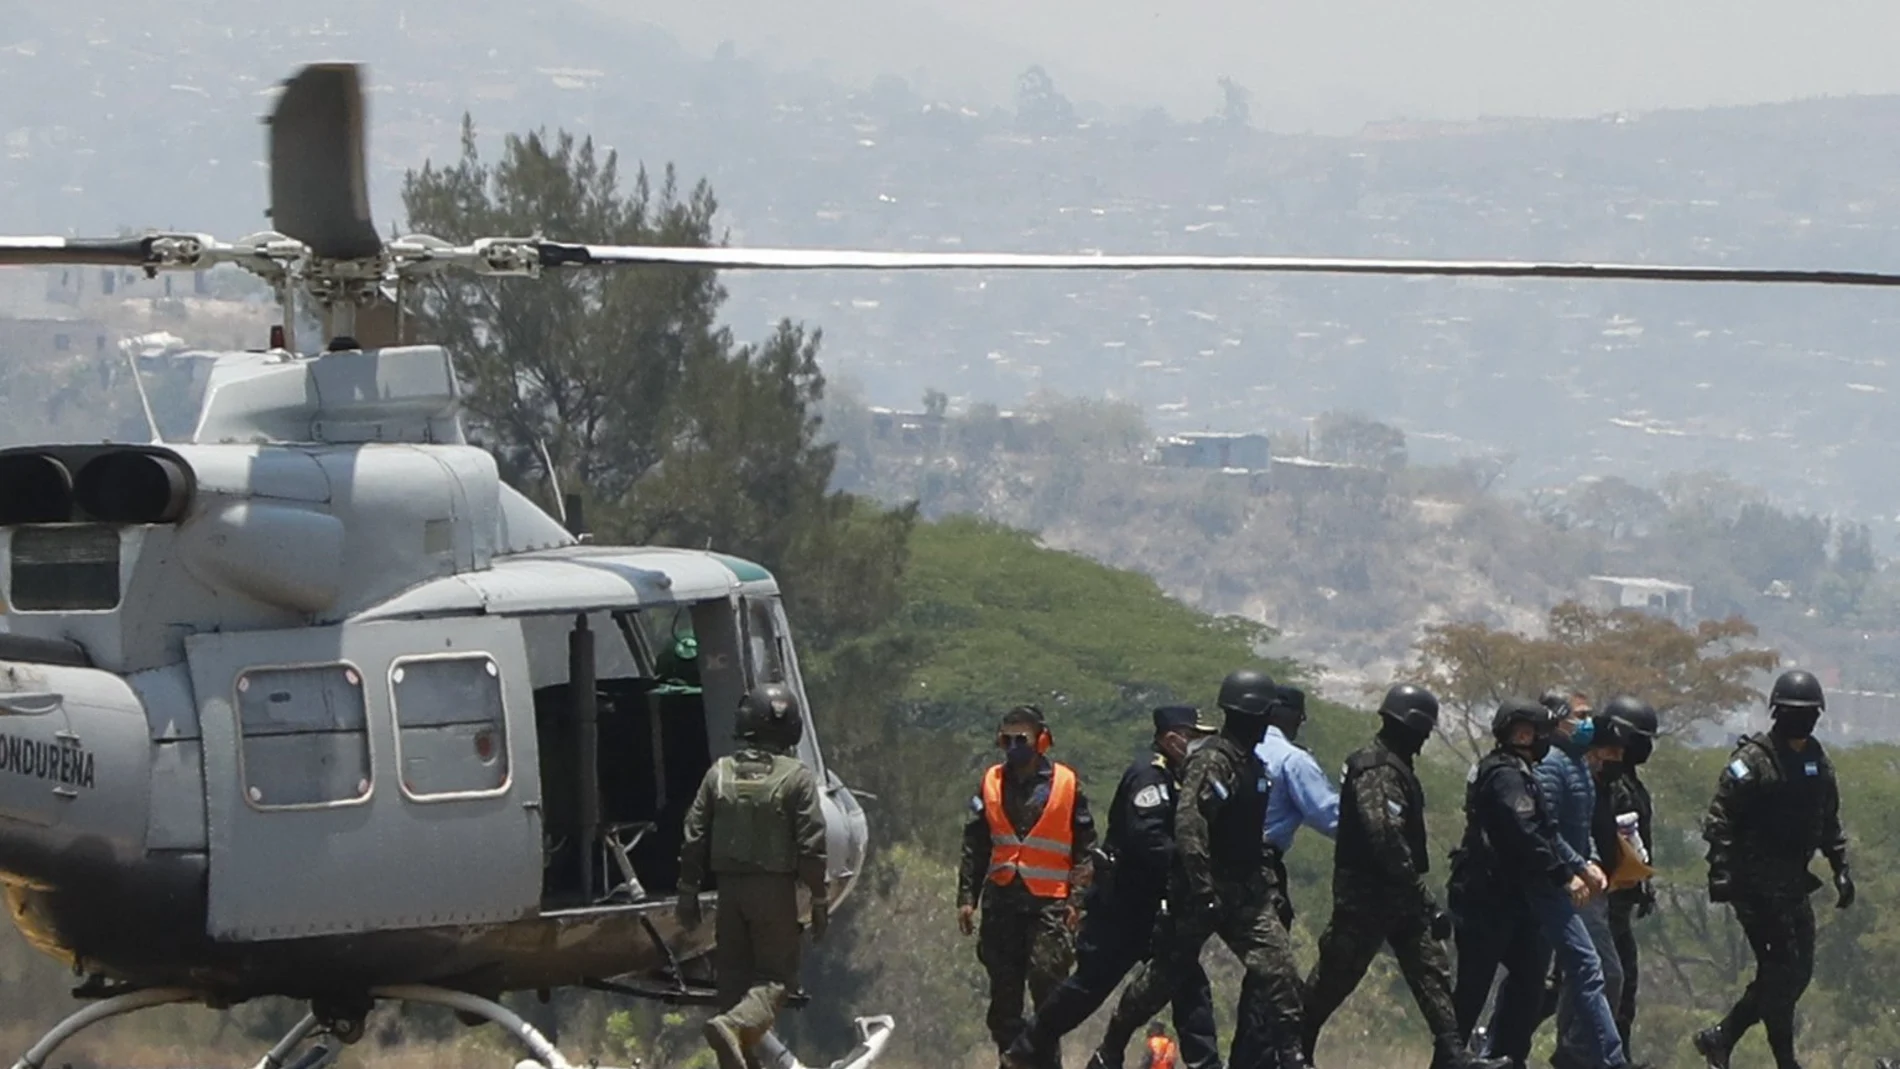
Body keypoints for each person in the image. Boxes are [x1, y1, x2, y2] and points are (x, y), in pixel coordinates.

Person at [1087, 669, 1311, 1069]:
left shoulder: (1252, 766)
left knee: (1279, 972)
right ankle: (1112, 1045)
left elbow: (1249, 835)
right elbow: (1191, 828)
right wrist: (1202, 890)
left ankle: (1294, 1056)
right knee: (1163, 978)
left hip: (1246, 894)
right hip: (1200, 893)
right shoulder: (1213, 761)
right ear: (1251, 714)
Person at [1301, 684, 1509, 1069]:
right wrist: (1424, 897)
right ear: (1411, 726)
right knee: (1337, 974)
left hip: (1400, 895)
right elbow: (1385, 838)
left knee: (1430, 970)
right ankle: (1294, 1046)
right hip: (1366, 896)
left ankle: (1453, 1052)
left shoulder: (1395, 765)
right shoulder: (1376, 768)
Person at [1003, 706, 1220, 1069]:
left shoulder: (1180, 780)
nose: (1199, 745)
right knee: (1088, 988)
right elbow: (1147, 839)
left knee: (1187, 982)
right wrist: (1191, 867)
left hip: (1155, 910)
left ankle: (1204, 1063)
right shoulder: (1148, 777)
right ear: (1171, 739)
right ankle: (1024, 1052)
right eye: (1194, 736)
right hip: (1122, 909)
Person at [1446, 699, 1640, 1069]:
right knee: (1476, 984)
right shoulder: (1507, 774)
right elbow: (1529, 831)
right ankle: (1454, 1058)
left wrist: (1579, 864)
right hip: (1487, 895)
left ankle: (1506, 1056)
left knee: (1529, 980)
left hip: (1512, 896)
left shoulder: (1533, 770)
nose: (1543, 739)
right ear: (1522, 733)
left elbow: (1550, 830)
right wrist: (1566, 874)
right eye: (1539, 732)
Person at [1694, 669, 1853, 1069]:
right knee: (1781, 969)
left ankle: (1723, 1037)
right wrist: (1722, 871)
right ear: (1776, 713)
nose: (1802, 720)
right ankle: (1781, 1059)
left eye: (1809, 713)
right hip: (1754, 884)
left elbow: (1828, 818)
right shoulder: (1753, 761)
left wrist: (1840, 867)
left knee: (1796, 973)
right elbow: (1720, 818)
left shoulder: (1817, 760)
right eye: (1793, 712)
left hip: (1794, 883)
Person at [676, 684, 829, 1069]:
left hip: (728, 893)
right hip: (773, 891)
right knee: (776, 979)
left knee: (733, 983)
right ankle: (733, 1026)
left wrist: (688, 891)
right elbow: (812, 846)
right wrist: (819, 899)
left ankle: (737, 1050)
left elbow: (693, 836)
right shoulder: (797, 778)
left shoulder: (719, 774)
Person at [959, 705, 1097, 1067]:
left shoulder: (1066, 783)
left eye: (1023, 738)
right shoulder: (990, 781)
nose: (1014, 746)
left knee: (1048, 989)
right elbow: (975, 843)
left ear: (1042, 740)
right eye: (1007, 739)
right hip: (1002, 904)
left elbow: (1086, 849)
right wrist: (966, 898)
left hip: (1050, 906)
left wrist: (1077, 900)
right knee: (1004, 1000)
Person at [1529, 692, 1626, 1069]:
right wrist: (1577, 868)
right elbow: (1545, 829)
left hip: (1580, 883)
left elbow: (1580, 828)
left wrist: (1594, 861)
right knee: (1596, 971)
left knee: (1584, 973)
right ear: (1557, 719)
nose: (1588, 723)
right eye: (1581, 716)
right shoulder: (1551, 766)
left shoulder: (1579, 766)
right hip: (1562, 886)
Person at [1597, 696, 1660, 1056]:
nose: (1646, 748)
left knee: (1623, 983)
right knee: (1580, 982)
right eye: (1640, 739)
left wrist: (1644, 885)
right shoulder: (1605, 784)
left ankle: (1619, 1055)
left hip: (1622, 900)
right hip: (1602, 900)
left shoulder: (1629, 783)